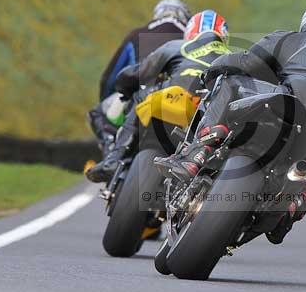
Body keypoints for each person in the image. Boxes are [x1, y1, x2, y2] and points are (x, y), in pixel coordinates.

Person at [154, 0, 306, 243]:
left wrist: (212, 70)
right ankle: (295, 206)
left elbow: (246, 61)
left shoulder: (291, 39)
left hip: (293, 110)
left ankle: (197, 154)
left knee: (231, 80)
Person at [86, 10, 231, 182]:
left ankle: (114, 159)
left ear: (190, 31)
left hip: (175, 100)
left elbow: (137, 73)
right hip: (209, 116)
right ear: (224, 34)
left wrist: (125, 87)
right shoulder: (231, 56)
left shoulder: (177, 46)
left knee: (141, 95)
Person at [88, 0, 190, 147]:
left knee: (98, 114)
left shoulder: (136, 35)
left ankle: (111, 156)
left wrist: (109, 99)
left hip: (139, 99)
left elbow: (109, 80)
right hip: (182, 101)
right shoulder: (191, 37)